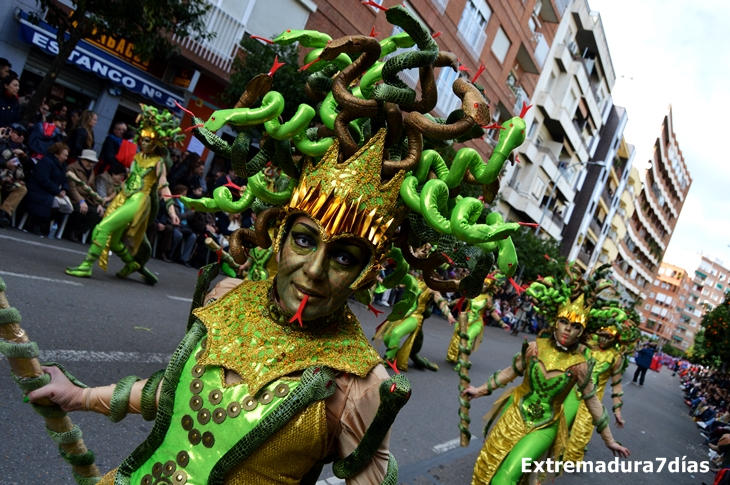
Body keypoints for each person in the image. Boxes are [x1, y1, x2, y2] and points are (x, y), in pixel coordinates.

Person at [15, 6, 536, 483]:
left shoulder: (358, 383)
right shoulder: (225, 297)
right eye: (305, 239)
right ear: (279, 233)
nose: (313, 271)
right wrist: (79, 395)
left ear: (367, 272)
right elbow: (163, 394)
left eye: (345, 257)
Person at [462, 267, 631, 485]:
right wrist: (480, 390)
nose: (567, 329)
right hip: (514, 413)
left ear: (583, 331)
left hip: (545, 425)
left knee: (505, 478)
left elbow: (593, 403)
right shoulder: (535, 348)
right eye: (564, 322)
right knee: (487, 467)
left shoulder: (579, 366)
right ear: (555, 321)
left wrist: (609, 440)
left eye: (575, 326)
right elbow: (511, 371)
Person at [65, 106, 181, 283]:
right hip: (123, 198)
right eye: (142, 138)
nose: (143, 142)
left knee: (103, 228)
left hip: (139, 201)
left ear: (157, 141)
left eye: (149, 139)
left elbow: (164, 187)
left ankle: (86, 266)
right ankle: (133, 264)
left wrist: (172, 212)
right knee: (113, 241)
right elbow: (127, 182)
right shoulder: (136, 157)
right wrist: (110, 197)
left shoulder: (158, 162)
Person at [22, 141, 69, 235]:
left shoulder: (62, 166)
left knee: (66, 205)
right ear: (56, 154)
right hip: (37, 189)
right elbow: (42, 179)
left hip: (50, 190)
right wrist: (57, 191)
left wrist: (64, 189)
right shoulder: (46, 162)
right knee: (52, 202)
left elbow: (64, 180)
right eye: (64, 155)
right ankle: (36, 224)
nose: (66, 158)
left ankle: (43, 224)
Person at [65, 149, 104, 242]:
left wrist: (98, 203)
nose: (90, 164)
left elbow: (92, 189)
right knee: (79, 209)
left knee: (97, 212)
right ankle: (69, 231)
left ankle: (77, 231)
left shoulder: (91, 171)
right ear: (82, 159)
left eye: (93, 162)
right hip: (74, 197)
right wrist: (81, 201)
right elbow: (72, 188)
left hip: (87, 197)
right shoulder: (72, 168)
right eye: (88, 161)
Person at [0, 148, 26, 227]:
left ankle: (3, 213)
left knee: (22, 189)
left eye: (23, 135)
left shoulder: (24, 147)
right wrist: (6, 164)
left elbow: (30, 166)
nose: (21, 137)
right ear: (12, 134)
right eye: (19, 134)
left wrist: (24, 156)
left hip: (11, 179)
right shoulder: (3, 144)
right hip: (1, 175)